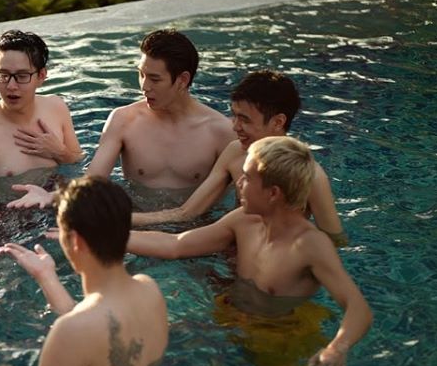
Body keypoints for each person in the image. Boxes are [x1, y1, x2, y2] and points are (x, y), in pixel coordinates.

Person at [128, 136, 372, 366]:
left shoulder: (310, 246)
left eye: (246, 178)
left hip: (280, 336)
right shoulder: (243, 221)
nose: (239, 183)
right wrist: (113, 235)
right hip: (231, 316)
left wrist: (336, 348)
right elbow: (176, 245)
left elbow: (358, 308)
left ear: (273, 193)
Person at [8, 29, 235, 211]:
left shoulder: (221, 132)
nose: (144, 86)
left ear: (183, 80)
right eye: (141, 74)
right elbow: (93, 181)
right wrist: (52, 196)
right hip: (134, 225)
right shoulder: (124, 120)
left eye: (155, 79)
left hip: (197, 230)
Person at [0, 176, 167, 366]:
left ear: (75, 241)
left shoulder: (72, 330)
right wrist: (46, 276)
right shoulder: (149, 289)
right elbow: (96, 325)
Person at [132, 70, 347, 246]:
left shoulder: (311, 176)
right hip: (230, 250)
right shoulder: (235, 152)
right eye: (234, 115)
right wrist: (124, 220)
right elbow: (186, 213)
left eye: (245, 119)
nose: (235, 126)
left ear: (278, 122)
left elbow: (334, 242)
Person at [0, 31, 83, 222]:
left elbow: (79, 163)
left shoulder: (56, 108)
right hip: (8, 219)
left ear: (41, 75)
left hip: (57, 206)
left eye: (22, 76)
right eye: (4, 75)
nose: (11, 86)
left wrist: (60, 153)